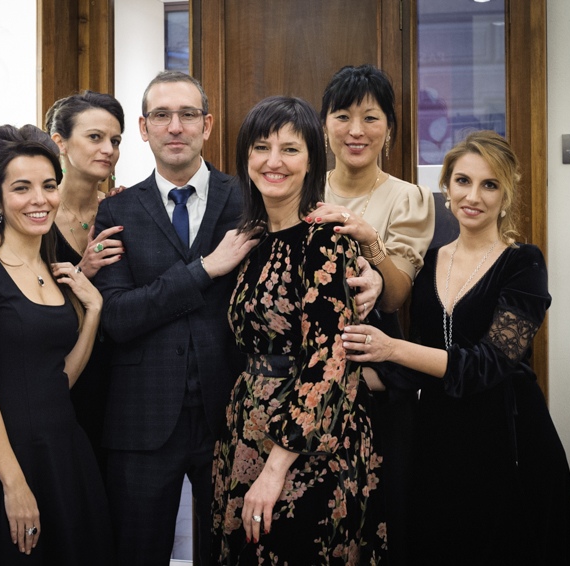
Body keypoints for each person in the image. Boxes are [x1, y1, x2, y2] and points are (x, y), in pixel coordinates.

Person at [93, 72, 383, 565]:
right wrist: (205, 268)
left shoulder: (249, 201)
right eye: (161, 115)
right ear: (144, 127)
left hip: (246, 416)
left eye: (188, 114)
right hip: (161, 423)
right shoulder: (120, 210)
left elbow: (325, 331)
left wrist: (370, 266)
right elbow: (116, 316)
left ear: (207, 125)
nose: (175, 126)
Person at [342, 131, 570, 566]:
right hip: (439, 445)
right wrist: (337, 378)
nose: (473, 196)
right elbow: (415, 365)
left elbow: (489, 363)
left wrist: (390, 349)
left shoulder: (524, 263)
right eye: (463, 181)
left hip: (511, 445)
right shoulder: (430, 263)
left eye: (489, 184)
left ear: (506, 194)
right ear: (447, 188)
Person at [211, 96, 387, 565]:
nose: (273, 161)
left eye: (289, 149)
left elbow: (331, 360)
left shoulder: (325, 238)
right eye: (261, 147)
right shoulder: (251, 239)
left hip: (310, 445)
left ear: (311, 161)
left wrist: (275, 467)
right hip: (247, 432)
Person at [0, 124, 113, 563]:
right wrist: (14, 484)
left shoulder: (55, 269)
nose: (39, 199)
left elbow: (59, 379)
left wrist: (93, 312)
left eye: (49, 186)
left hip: (62, 455)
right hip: (1, 462)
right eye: (22, 188)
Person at [312, 63, 435, 563]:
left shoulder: (408, 197)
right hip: (310, 387)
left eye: (371, 117)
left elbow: (396, 294)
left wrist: (369, 241)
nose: (356, 130)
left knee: (379, 528)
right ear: (324, 125)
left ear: (390, 128)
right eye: (342, 116)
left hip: (377, 387)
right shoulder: (302, 188)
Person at [44, 90, 126, 466]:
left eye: (115, 140)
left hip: (117, 382)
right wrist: (83, 271)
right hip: (59, 376)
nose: (108, 149)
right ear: (60, 142)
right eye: (95, 137)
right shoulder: (37, 216)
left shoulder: (122, 209)